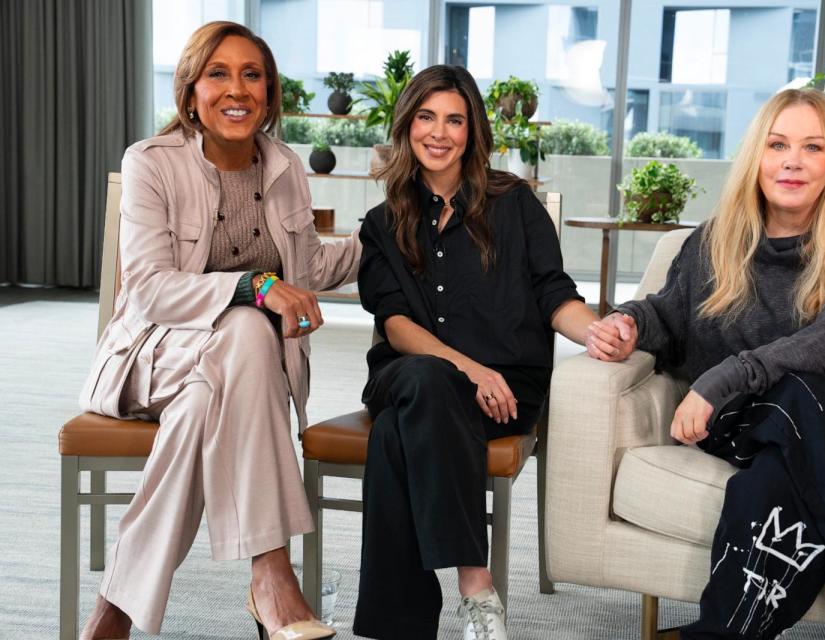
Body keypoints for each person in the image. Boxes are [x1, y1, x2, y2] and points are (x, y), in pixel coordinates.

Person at [588, 87, 825, 639]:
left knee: (766, 482)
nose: (792, 160)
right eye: (778, 144)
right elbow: (669, 314)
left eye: (813, 147)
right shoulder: (713, 242)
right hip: (750, 425)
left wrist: (725, 377)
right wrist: (629, 324)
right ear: (755, 156)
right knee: (785, 404)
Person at [77, 21, 360, 640]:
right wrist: (254, 288)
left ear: (270, 94)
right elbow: (148, 288)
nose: (238, 90)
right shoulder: (150, 163)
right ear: (190, 93)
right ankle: (272, 572)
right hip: (153, 360)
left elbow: (309, 267)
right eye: (219, 74)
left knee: (215, 389)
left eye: (252, 75)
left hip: (225, 379)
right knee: (250, 329)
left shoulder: (285, 167)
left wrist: (382, 239)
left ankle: (114, 611)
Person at [354, 64, 613, 640]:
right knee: (423, 380)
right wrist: (470, 370)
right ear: (406, 124)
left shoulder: (517, 204)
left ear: (473, 131)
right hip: (418, 377)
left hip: (504, 395)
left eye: (454, 119)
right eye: (426, 117)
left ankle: (399, 628)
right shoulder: (380, 224)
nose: (439, 133)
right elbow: (395, 325)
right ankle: (477, 584)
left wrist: (593, 332)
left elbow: (554, 292)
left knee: (396, 434)